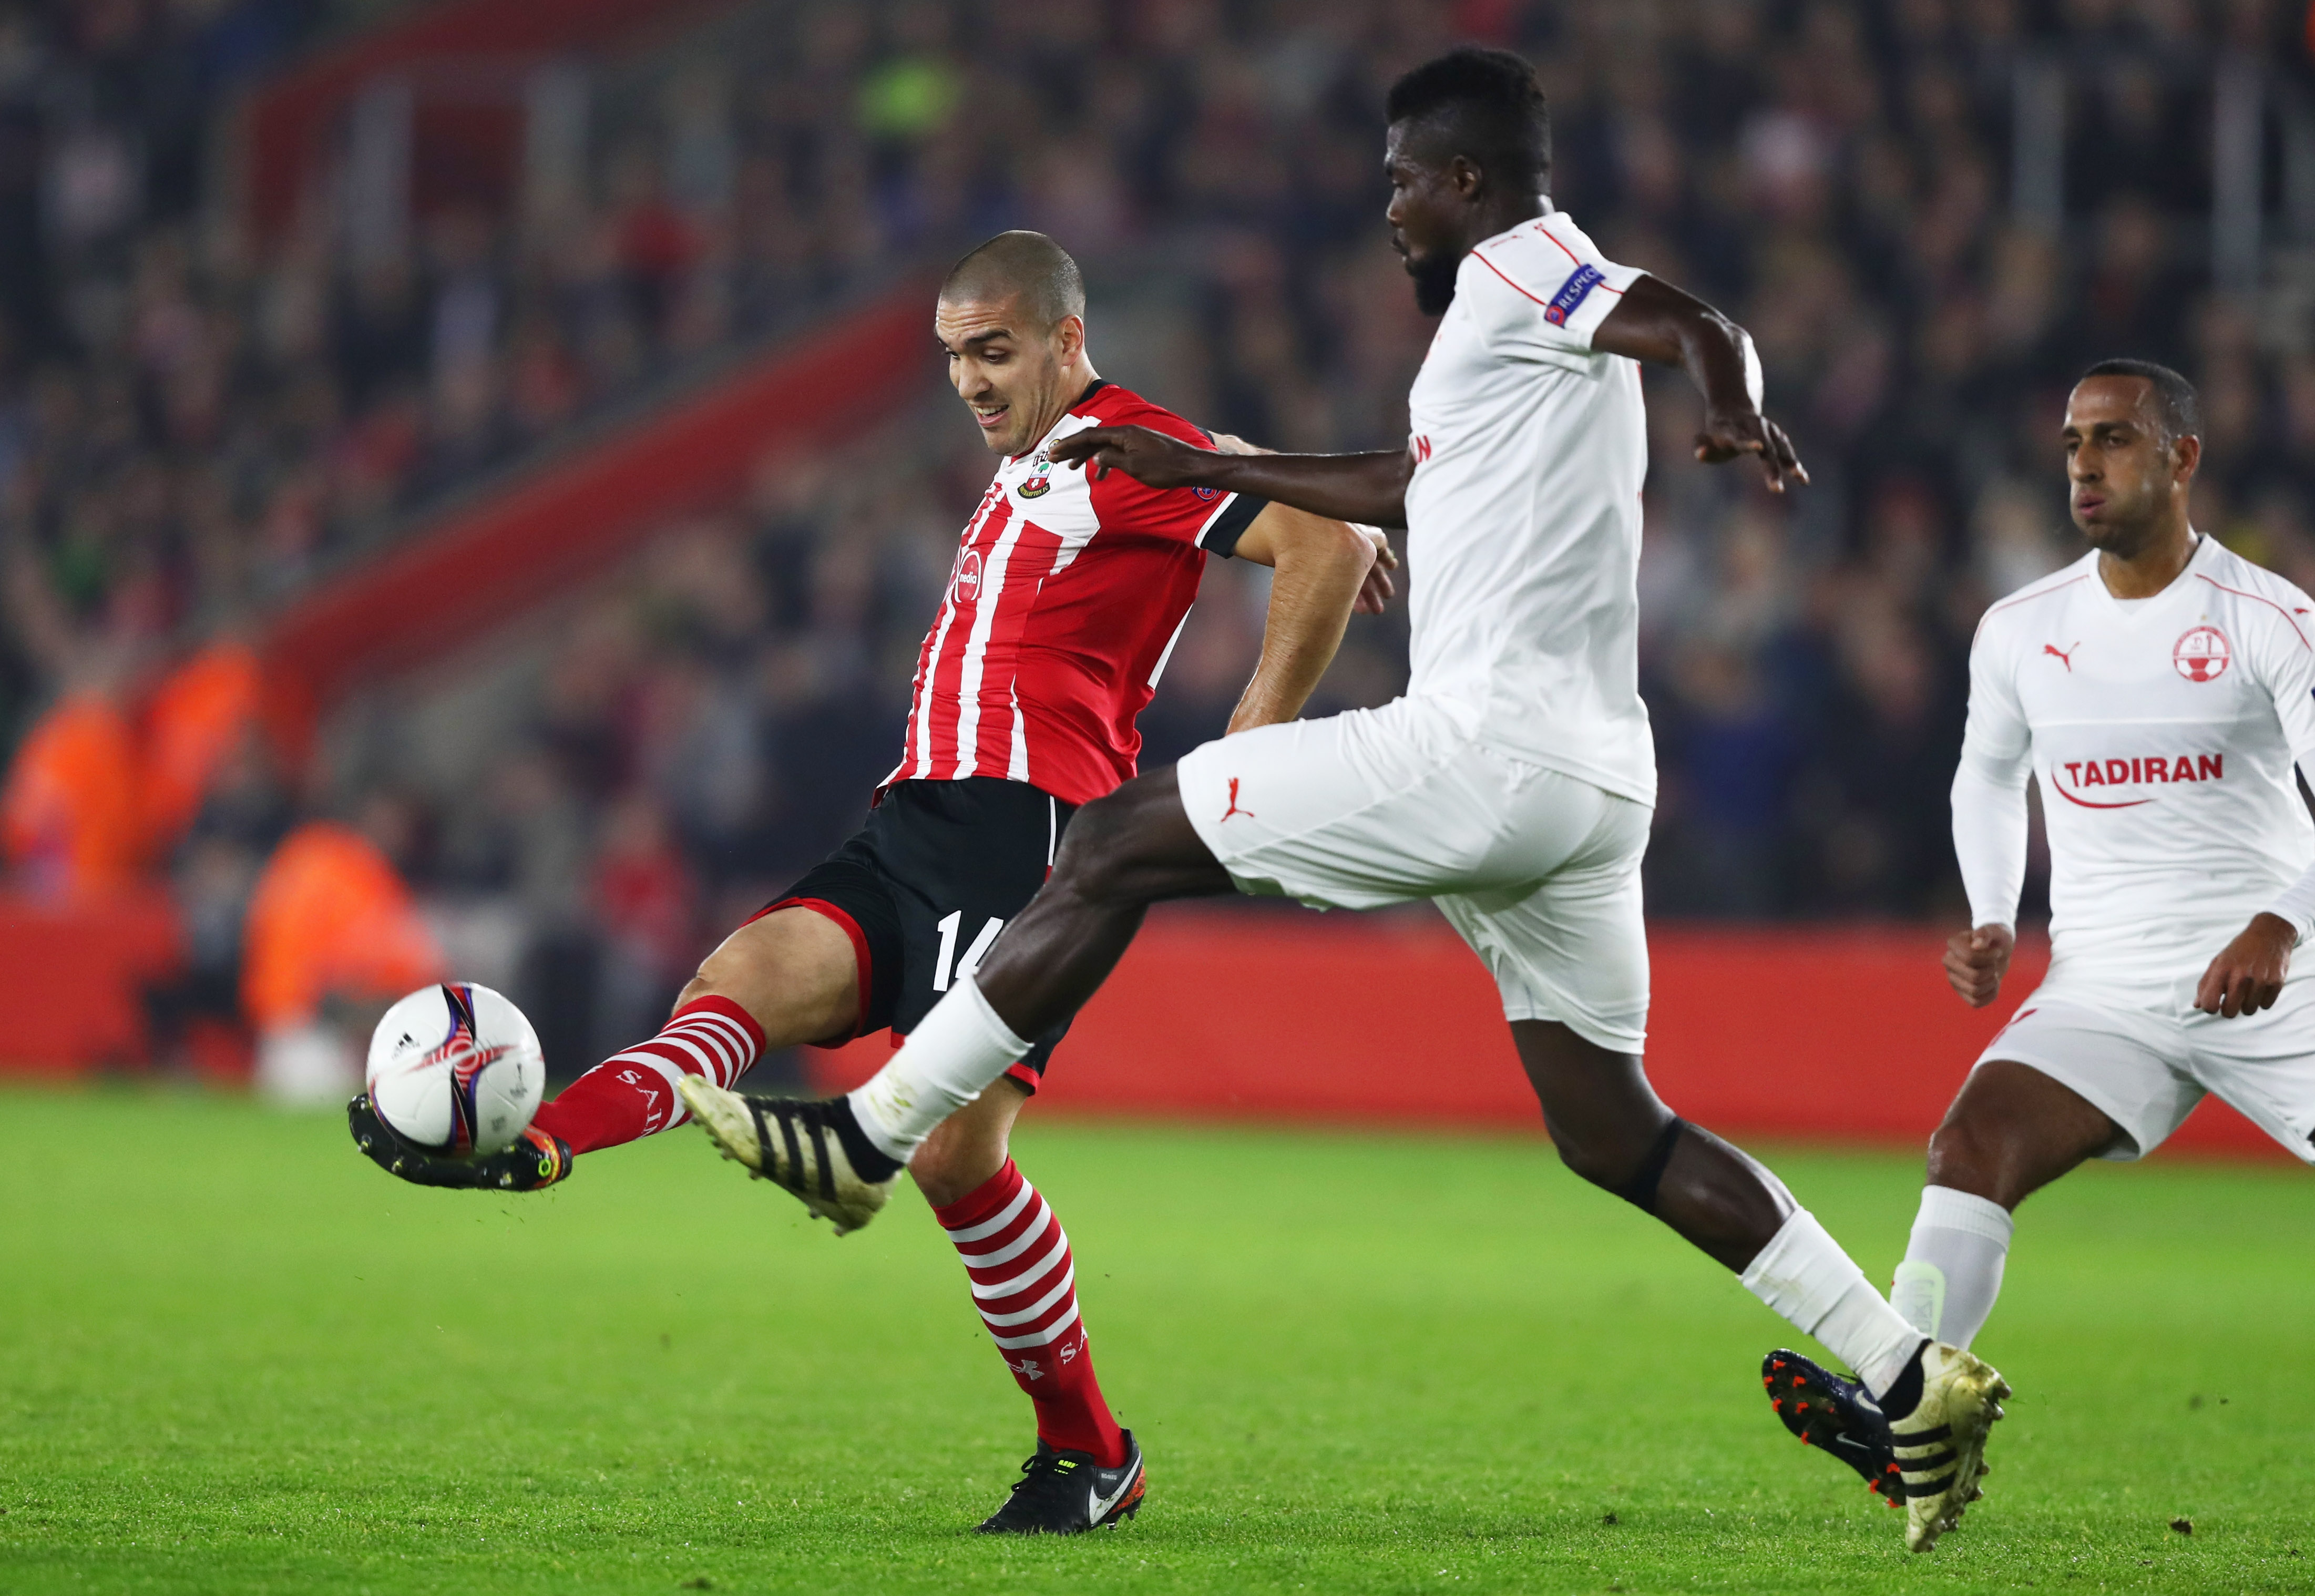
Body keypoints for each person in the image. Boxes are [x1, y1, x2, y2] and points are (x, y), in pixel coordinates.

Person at [681, 48, 2005, 1554]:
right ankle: (1909, 1375)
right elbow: (1404, 484)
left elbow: (1692, 319)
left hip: (1484, 750)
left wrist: (1725, 400)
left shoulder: (1520, 266)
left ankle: (875, 1133)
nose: (1384, 208)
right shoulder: (1497, 346)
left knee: (1112, 836)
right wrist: (1195, 461)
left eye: (1398, 179)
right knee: (1613, 1130)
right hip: (1589, 784)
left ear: (1462, 180)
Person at [348, 229, 1392, 1534]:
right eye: (955, 356)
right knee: (728, 991)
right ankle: (547, 1143)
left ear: (1070, 342)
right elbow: (1300, 517)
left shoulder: (1109, 449)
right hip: (913, 826)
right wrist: (1266, 482)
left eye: (996, 351)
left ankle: (1091, 1455)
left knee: (956, 1154)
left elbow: (1330, 553)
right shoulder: (1066, 462)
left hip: (1025, 839)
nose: (969, 380)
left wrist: (1250, 755)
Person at [1765, 360, 2315, 1497]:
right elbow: (1985, 777)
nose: (2085, 464)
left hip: (2271, 976)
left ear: (2182, 459)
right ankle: (1906, 1408)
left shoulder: (2271, 619)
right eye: (2073, 442)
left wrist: (2279, 921)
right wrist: (1987, 913)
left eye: (2115, 439)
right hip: (2107, 987)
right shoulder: (2023, 628)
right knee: (1970, 1150)